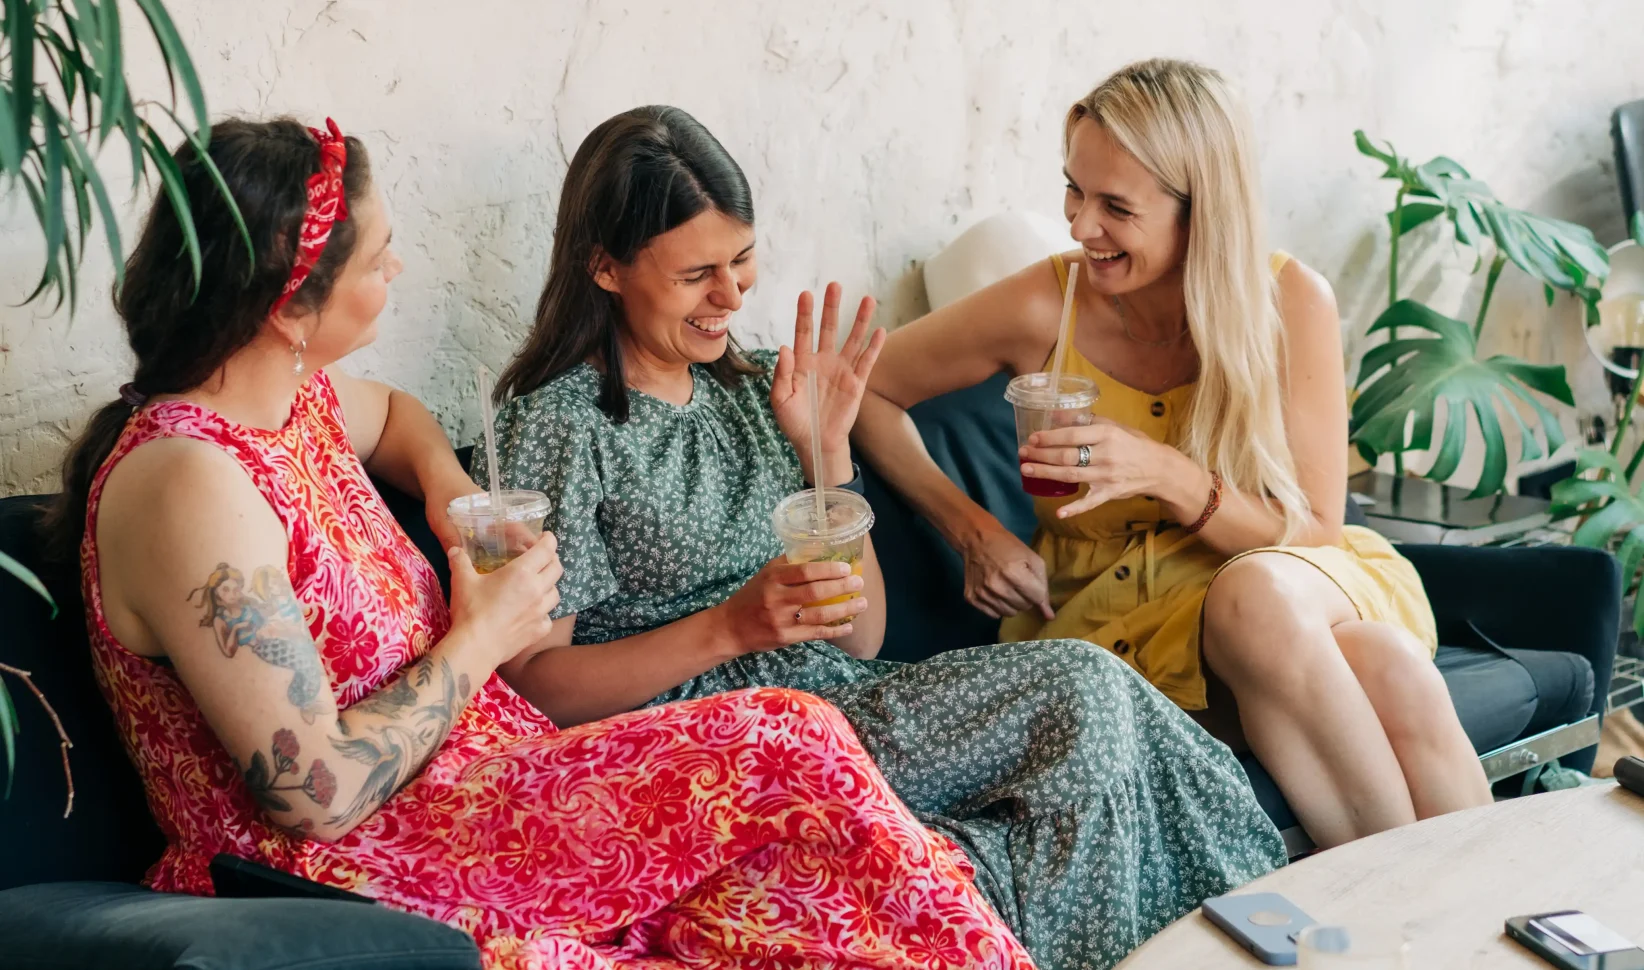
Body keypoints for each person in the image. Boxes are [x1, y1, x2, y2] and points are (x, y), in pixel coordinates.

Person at [47, 117, 1035, 970]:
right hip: (336, 862)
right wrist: (482, 635)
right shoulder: (188, 483)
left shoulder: (284, 393)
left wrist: (448, 490)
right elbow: (316, 795)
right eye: (377, 255)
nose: (398, 267)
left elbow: (395, 419)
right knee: (791, 736)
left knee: (803, 896)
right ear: (289, 303)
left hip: (489, 794)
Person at [484, 104, 1286, 970]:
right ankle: (1263, 917)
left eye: (743, 263)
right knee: (1080, 690)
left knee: (1095, 718)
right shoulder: (558, 428)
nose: (731, 296)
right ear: (605, 268)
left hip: (825, 709)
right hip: (701, 750)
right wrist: (731, 628)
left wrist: (826, 452)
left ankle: (1251, 922)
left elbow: (860, 637)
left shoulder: (750, 391)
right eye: (697, 275)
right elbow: (536, 688)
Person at [852, 59, 1492, 849]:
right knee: (1384, 663)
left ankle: (1392, 919)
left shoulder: (1290, 303)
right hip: (1120, 625)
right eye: (1074, 191)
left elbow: (1316, 531)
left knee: (1263, 597)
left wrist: (1168, 474)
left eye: (1116, 206)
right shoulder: (1042, 304)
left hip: (1287, 586)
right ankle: (1445, 925)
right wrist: (971, 528)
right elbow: (862, 390)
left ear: (1202, 216)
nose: (1082, 227)